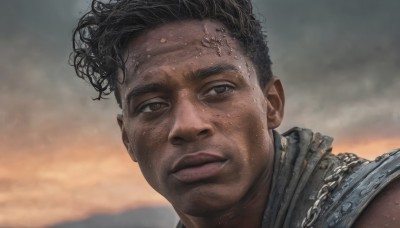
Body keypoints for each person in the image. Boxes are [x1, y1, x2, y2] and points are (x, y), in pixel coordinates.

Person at [71, 0, 400, 227]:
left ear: (271, 104)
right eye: (152, 106)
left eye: (218, 90)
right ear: (128, 139)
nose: (188, 125)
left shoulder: (382, 212)